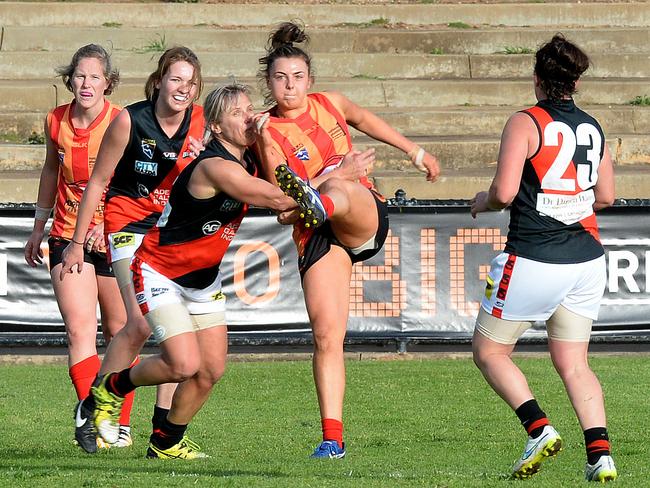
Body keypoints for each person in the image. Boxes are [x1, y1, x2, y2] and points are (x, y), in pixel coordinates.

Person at [255, 21, 441, 459]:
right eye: (280, 78)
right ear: (269, 82)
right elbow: (282, 204)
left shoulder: (330, 103)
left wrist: (415, 152)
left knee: (340, 190)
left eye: (297, 77)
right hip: (315, 231)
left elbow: (367, 120)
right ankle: (332, 439)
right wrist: (333, 175)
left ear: (310, 80)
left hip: (360, 213)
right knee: (326, 335)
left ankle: (325, 199)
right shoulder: (267, 132)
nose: (290, 86)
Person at [88, 83, 300, 458]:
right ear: (216, 127)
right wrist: (316, 202)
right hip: (160, 271)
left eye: (251, 109)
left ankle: (166, 442)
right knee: (183, 363)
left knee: (210, 370)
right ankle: (111, 387)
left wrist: (268, 143)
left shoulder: (250, 158)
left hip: (203, 279)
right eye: (238, 113)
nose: (250, 117)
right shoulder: (215, 165)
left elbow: (285, 186)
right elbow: (275, 197)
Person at [469, 34, 617, 482]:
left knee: (489, 351)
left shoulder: (525, 122)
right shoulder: (593, 125)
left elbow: (505, 192)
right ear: (575, 82)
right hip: (587, 260)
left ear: (537, 78)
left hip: (535, 255)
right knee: (574, 363)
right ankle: (600, 456)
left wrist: (482, 201)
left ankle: (538, 429)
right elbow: (606, 197)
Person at [60, 46, 205, 454]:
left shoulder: (201, 123)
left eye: (190, 82)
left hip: (169, 229)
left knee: (177, 330)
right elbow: (97, 182)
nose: (182, 88)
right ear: (159, 80)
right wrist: (75, 243)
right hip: (125, 225)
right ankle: (95, 405)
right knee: (141, 325)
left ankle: (163, 437)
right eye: (175, 79)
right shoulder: (129, 120)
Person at [23, 44, 135, 450]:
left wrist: (107, 224)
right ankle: (91, 420)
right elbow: (51, 169)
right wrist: (39, 227)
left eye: (95, 76)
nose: (86, 84)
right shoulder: (56, 120)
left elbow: (129, 184)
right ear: (70, 78)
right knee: (79, 330)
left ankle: (117, 422)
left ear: (108, 82)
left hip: (115, 237)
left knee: (122, 331)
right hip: (67, 237)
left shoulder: (122, 121)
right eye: (80, 75)